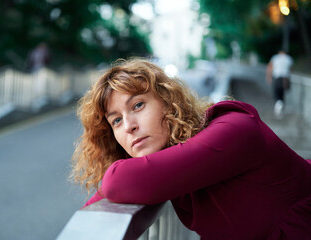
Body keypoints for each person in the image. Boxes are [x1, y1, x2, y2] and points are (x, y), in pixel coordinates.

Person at [71, 59, 311, 240]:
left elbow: (117, 182)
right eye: (116, 121)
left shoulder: (233, 129)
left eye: (138, 105)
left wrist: (114, 180)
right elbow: (99, 205)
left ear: (169, 103)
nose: (129, 126)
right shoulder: (171, 159)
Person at [266, 50, 293, 119]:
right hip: (285, 79)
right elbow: (290, 69)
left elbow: (270, 68)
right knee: (282, 94)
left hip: (277, 78)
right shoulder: (289, 59)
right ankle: (281, 107)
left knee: (276, 94)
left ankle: (278, 106)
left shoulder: (275, 58)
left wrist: (269, 77)